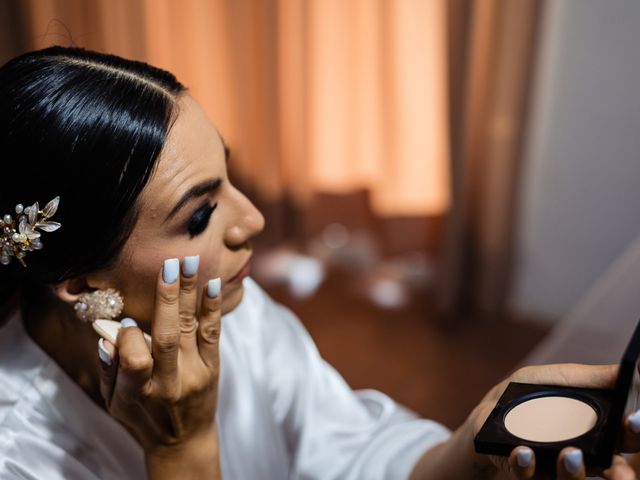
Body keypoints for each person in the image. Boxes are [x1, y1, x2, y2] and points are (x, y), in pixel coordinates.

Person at [0, 46, 637, 480]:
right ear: (80, 281)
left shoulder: (230, 318)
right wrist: (180, 448)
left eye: (230, 176)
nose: (252, 221)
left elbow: (352, 453)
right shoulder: (16, 450)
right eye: (199, 216)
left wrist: (469, 447)